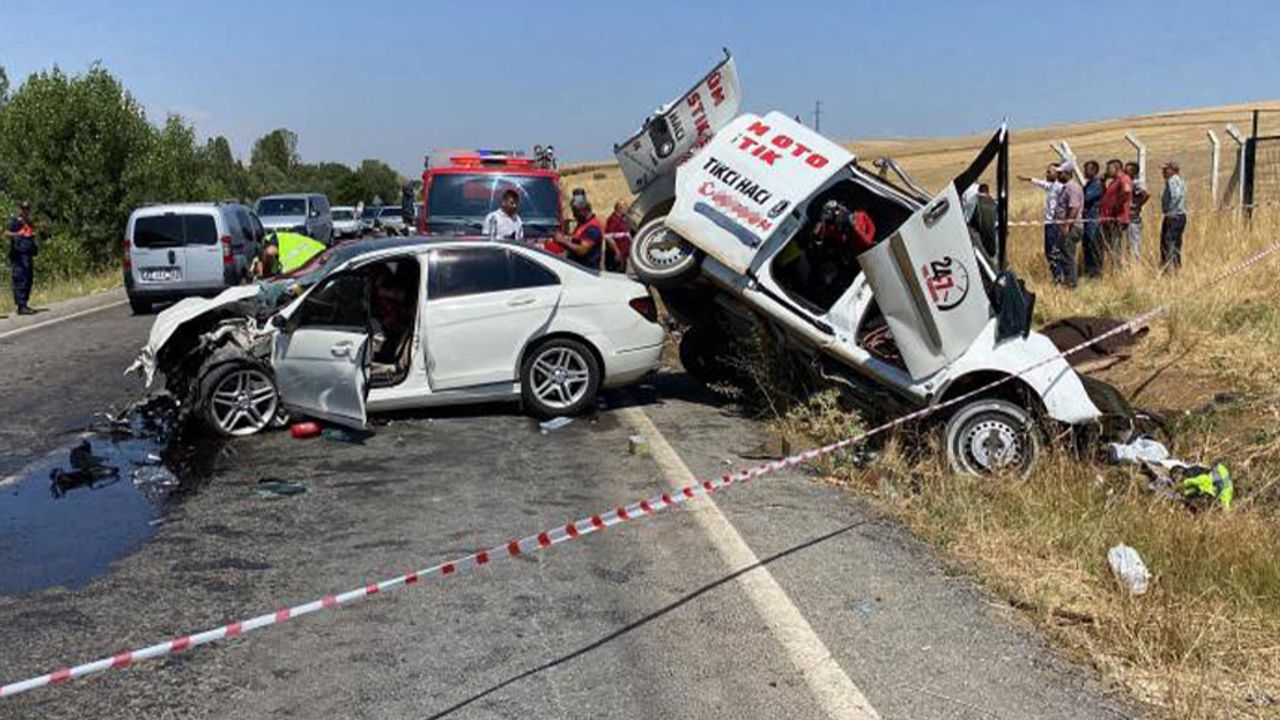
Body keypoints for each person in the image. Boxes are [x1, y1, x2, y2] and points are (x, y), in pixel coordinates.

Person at [1018, 164, 1062, 276]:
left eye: (1049, 172)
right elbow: (1041, 183)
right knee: (1048, 252)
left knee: (1054, 251)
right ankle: (1056, 275)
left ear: (1057, 173)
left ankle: (1059, 275)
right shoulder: (1051, 186)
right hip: (1049, 224)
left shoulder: (1059, 187)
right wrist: (1028, 179)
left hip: (1055, 224)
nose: (1046, 174)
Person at [1051, 161, 1083, 289]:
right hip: (1066, 225)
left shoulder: (1072, 188)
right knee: (1063, 254)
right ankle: (1068, 280)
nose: (1058, 175)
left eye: (1060, 173)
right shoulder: (1067, 187)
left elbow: (1074, 208)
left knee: (1068, 255)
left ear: (1068, 173)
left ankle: (1072, 284)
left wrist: (1066, 225)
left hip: (1071, 227)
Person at [5, 201, 38, 315]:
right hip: (19, 255)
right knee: (20, 279)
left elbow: (34, 233)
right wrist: (17, 235)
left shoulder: (29, 222)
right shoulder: (15, 222)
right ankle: (21, 305)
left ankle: (25, 303)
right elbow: (6, 233)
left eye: (27, 208)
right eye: (24, 208)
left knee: (29, 279)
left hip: (28, 254)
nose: (26, 211)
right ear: (20, 209)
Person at [1099, 159, 1132, 270]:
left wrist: (1118, 204)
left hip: (1118, 218)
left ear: (1116, 168)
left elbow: (1127, 191)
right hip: (1109, 219)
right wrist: (1103, 182)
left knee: (1116, 246)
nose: (1107, 171)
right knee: (1110, 247)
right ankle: (1113, 270)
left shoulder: (1123, 178)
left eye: (1109, 169)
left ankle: (1118, 271)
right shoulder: (1113, 181)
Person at [556, 197, 604, 269]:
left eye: (576, 212)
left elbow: (582, 250)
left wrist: (562, 241)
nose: (574, 215)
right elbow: (577, 240)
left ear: (585, 211)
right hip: (577, 267)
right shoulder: (582, 224)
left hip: (587, 270)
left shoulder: (592, 228)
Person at [1160, 160, 1188, 271]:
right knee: (1176, 242)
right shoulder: (1180, 180)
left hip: (1174, 215)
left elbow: (1176, 196)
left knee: (1168, 241)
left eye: (1166, 169)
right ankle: (1176, 266)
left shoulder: (1172, 180)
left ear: (1173, 170)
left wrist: (1170, 211)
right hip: (1180, 215)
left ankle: (1169, 268)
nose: (1163, 172)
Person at [1081, 160, 1105, 278]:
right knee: (1087, 247)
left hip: (1094, 221)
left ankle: (1096, 273)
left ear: (1094, 171)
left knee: (1094, 246)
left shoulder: (1097, 185)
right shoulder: (1089, 184)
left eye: (1087, 169)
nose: (1084, 171)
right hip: (1087, 220)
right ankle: (1089, 271)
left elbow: (1084, 198)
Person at [1126, 160, 1150, 263]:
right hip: (1129, 216)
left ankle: (1135, 264)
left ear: (1133, 171)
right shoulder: (1129, 182)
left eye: (1127, 168)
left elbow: (1146, 194)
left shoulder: (1136, 183)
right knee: (1129, 242)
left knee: (1134, 242)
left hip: (1133, 217)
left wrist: (1136, 206)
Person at [970, 183, 999, 262]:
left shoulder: (973, 202)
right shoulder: (994, 202)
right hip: (992, 237)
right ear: (988, 192)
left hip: (978, 236)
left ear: (978, 190)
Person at [603, 200, 632, 273]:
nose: (627, 209)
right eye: (626, 207)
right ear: (619, 208)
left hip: (623, 255)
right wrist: (617, 252)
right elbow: (608, 237)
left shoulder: (623, 220)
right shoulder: (613, 220)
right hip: (615, 257)